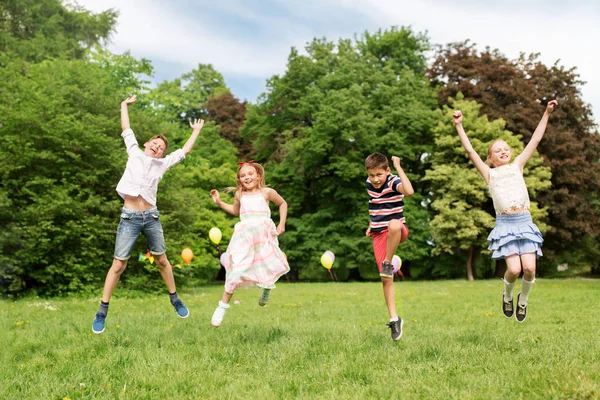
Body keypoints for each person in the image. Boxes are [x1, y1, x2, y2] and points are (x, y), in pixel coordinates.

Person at [92, 95, 205, 334]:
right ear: (146, 143)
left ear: (162, 154)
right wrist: (123, 104)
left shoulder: (162, 164)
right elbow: (126, 128)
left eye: (162, 147)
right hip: (129, 217)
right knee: (118, 265)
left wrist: (195, 131)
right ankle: (102, 310)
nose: (157, 147)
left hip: (151, 217)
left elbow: (184, 151)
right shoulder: (134, 152)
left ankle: (175, 299)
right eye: (155, 143)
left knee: (162, 260)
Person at [453, 99, 558, 323]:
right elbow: (470, 151)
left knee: (529, 268)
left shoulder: (518, 165)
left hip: (525, 221)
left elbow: (535, 139)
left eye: (505, 148)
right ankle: (507, 295)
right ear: (490, 159)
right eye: (497, 150)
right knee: (514, 269)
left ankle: (523, 301)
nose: (503, 151)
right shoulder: (489, 174)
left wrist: (546, 113)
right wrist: (459, 126)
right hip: (505, 225)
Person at [209, 161, 290, 327]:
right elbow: (235, 211)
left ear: (258, 175)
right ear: (239, 180)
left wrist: (281, 223)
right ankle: (222, 306)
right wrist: (219, 203)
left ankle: (267, 288)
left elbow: (283, 203)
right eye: (243, 175)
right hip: (244, 237)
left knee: (267, 265)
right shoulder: (240, 194)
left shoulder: (267, 192)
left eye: (250, 174)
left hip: (263, 235)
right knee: (235, 269)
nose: (247, 177)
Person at [365, 153, 414, 340]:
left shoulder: (393, 181)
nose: (375, 179)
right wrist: (372, 224)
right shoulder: (369, 184)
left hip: (397, 231)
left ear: (387, 171)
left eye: (379, 174)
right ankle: (394, 320)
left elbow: (409, 192)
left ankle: (388, 261)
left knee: (394, 224)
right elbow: (374, 206)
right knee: (386, 279)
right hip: (379, 235)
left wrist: (398, 167)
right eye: (371, 175)